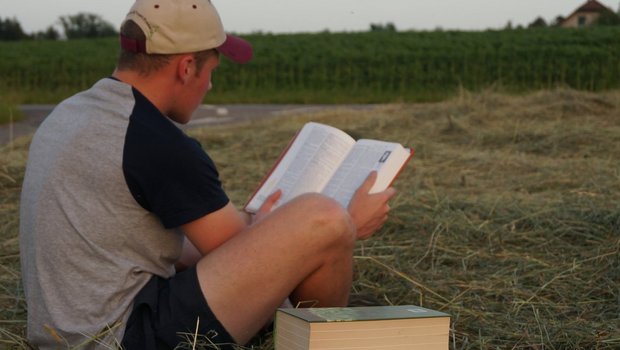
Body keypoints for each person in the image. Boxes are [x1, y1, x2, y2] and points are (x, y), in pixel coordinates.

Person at [19, 0, 397, 349]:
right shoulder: (156, 140)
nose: (210, 85)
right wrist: (348, 224)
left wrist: (254, 227)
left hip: (69, 332)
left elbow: (147, 240)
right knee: (324, 218)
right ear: (186, 67)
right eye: (211, 70)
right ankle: (329, 341)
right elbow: (242, 258)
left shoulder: (73, 113)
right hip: (122, 337)